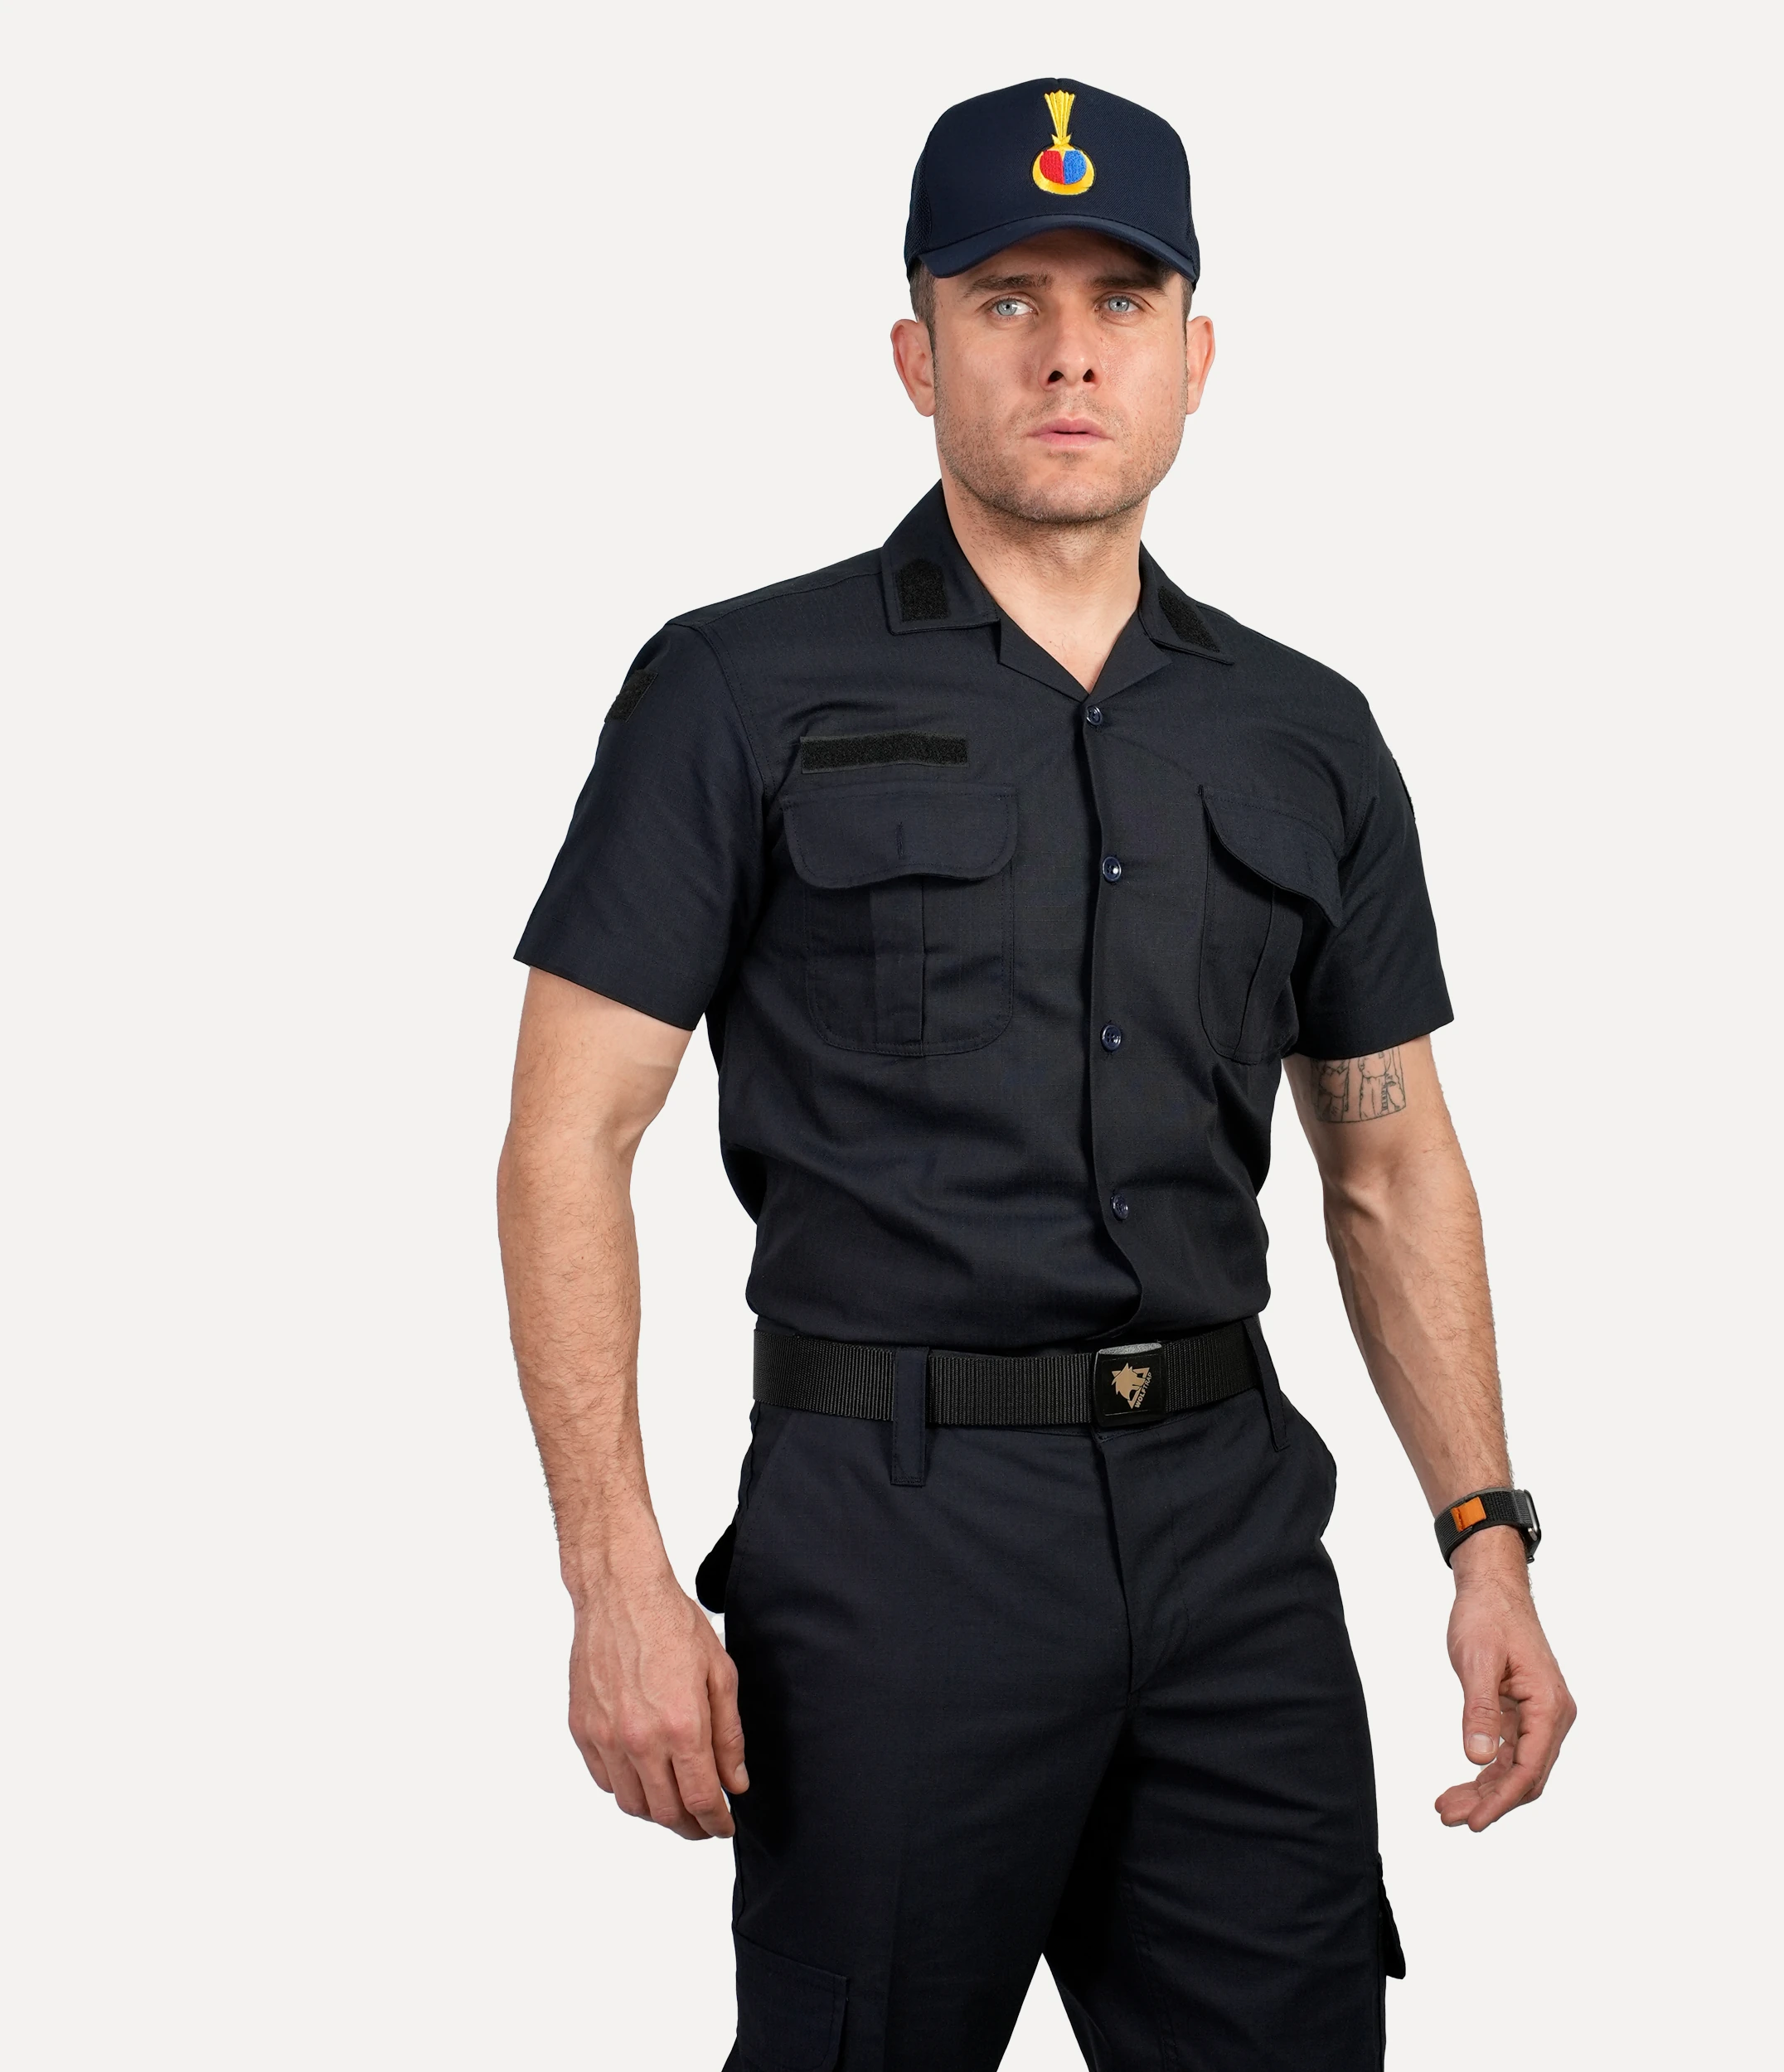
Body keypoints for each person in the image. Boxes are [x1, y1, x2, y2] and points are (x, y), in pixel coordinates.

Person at [498, 76, 1574, 2072]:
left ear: (1194, 357)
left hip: (1231, 1535)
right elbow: (570, 1133)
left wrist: (1481, 1532)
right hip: (892, 1535)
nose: (1067, 351)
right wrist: (614, 1574)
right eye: (1005, 300)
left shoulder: (1304, 733)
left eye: (1118, 300)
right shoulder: (735, 689)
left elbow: (1386, 1156)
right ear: (916, 356)